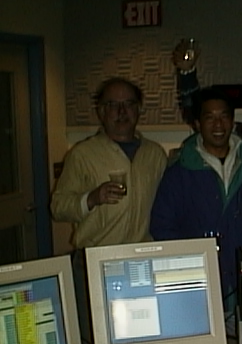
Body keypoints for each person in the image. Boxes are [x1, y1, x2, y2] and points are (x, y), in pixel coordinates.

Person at [149, 87, 242, 318]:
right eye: (210, 117)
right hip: (197, 282)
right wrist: (191, 260)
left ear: (233, 121)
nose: (218, 124)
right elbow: (161, 226)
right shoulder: (180, 171)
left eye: (224, 116)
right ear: (198, 124)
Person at [51, 77, 167, 249]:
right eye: (113, 105)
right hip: (96, 255)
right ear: (101, 111)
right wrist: (92, 198)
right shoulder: (82, 154)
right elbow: (58, 207)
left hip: (142, 254)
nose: (122, 111)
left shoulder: (155, 154)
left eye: (129, 104)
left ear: (138, 109)